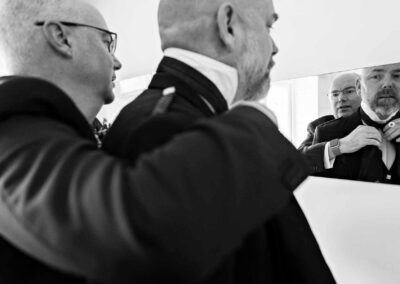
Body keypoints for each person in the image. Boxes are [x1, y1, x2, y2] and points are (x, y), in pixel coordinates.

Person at [0, 0, 311, 283]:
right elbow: (131, 230)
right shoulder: (11, 134)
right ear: (61, 37)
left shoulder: (43, 132)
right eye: (107, 42)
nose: (118, 62)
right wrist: (257, 121)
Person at [102, 0, 335, 283]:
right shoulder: (164, 132)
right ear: (228, 25)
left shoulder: (183, 116)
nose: (274, 47)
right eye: (268, 26)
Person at [313, 62, 400, 183]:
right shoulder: (326, 133)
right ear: (359, 87)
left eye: (397, 76)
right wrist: (338, 146)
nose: (387, 84)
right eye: (376, 77)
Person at [299, 72, 361, 173]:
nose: (341, 98)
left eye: (349, 91)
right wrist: (337, 147)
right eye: (335, 94)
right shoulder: (317, 127)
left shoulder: (378, 122)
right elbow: (297, 160)